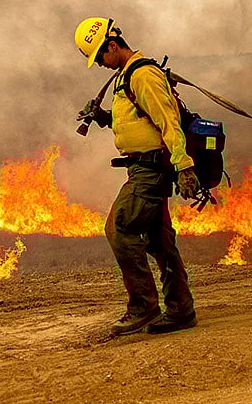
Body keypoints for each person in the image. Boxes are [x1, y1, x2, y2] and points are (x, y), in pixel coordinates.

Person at [73, 16, 200, 335]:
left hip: (151, 169)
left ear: (112, 46)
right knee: (160, 241)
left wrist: (184, 165)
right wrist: (103, 117)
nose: (100, 64)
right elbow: (135, 121)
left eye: (100, 56)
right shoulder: (126, 76)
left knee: (119, 227)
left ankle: (143, 306)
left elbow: (167, 120)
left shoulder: (142, 75)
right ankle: (181, 309)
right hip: (145, 165)